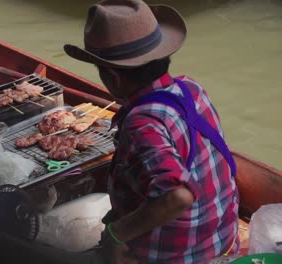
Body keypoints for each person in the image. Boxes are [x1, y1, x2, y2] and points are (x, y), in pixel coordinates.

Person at [64, 0, 240, 263]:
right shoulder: (190, 89)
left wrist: (117, 233)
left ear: (114, 76)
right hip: (222, 238)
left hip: (182, 256)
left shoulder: (142, 122)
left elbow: (177, 195)